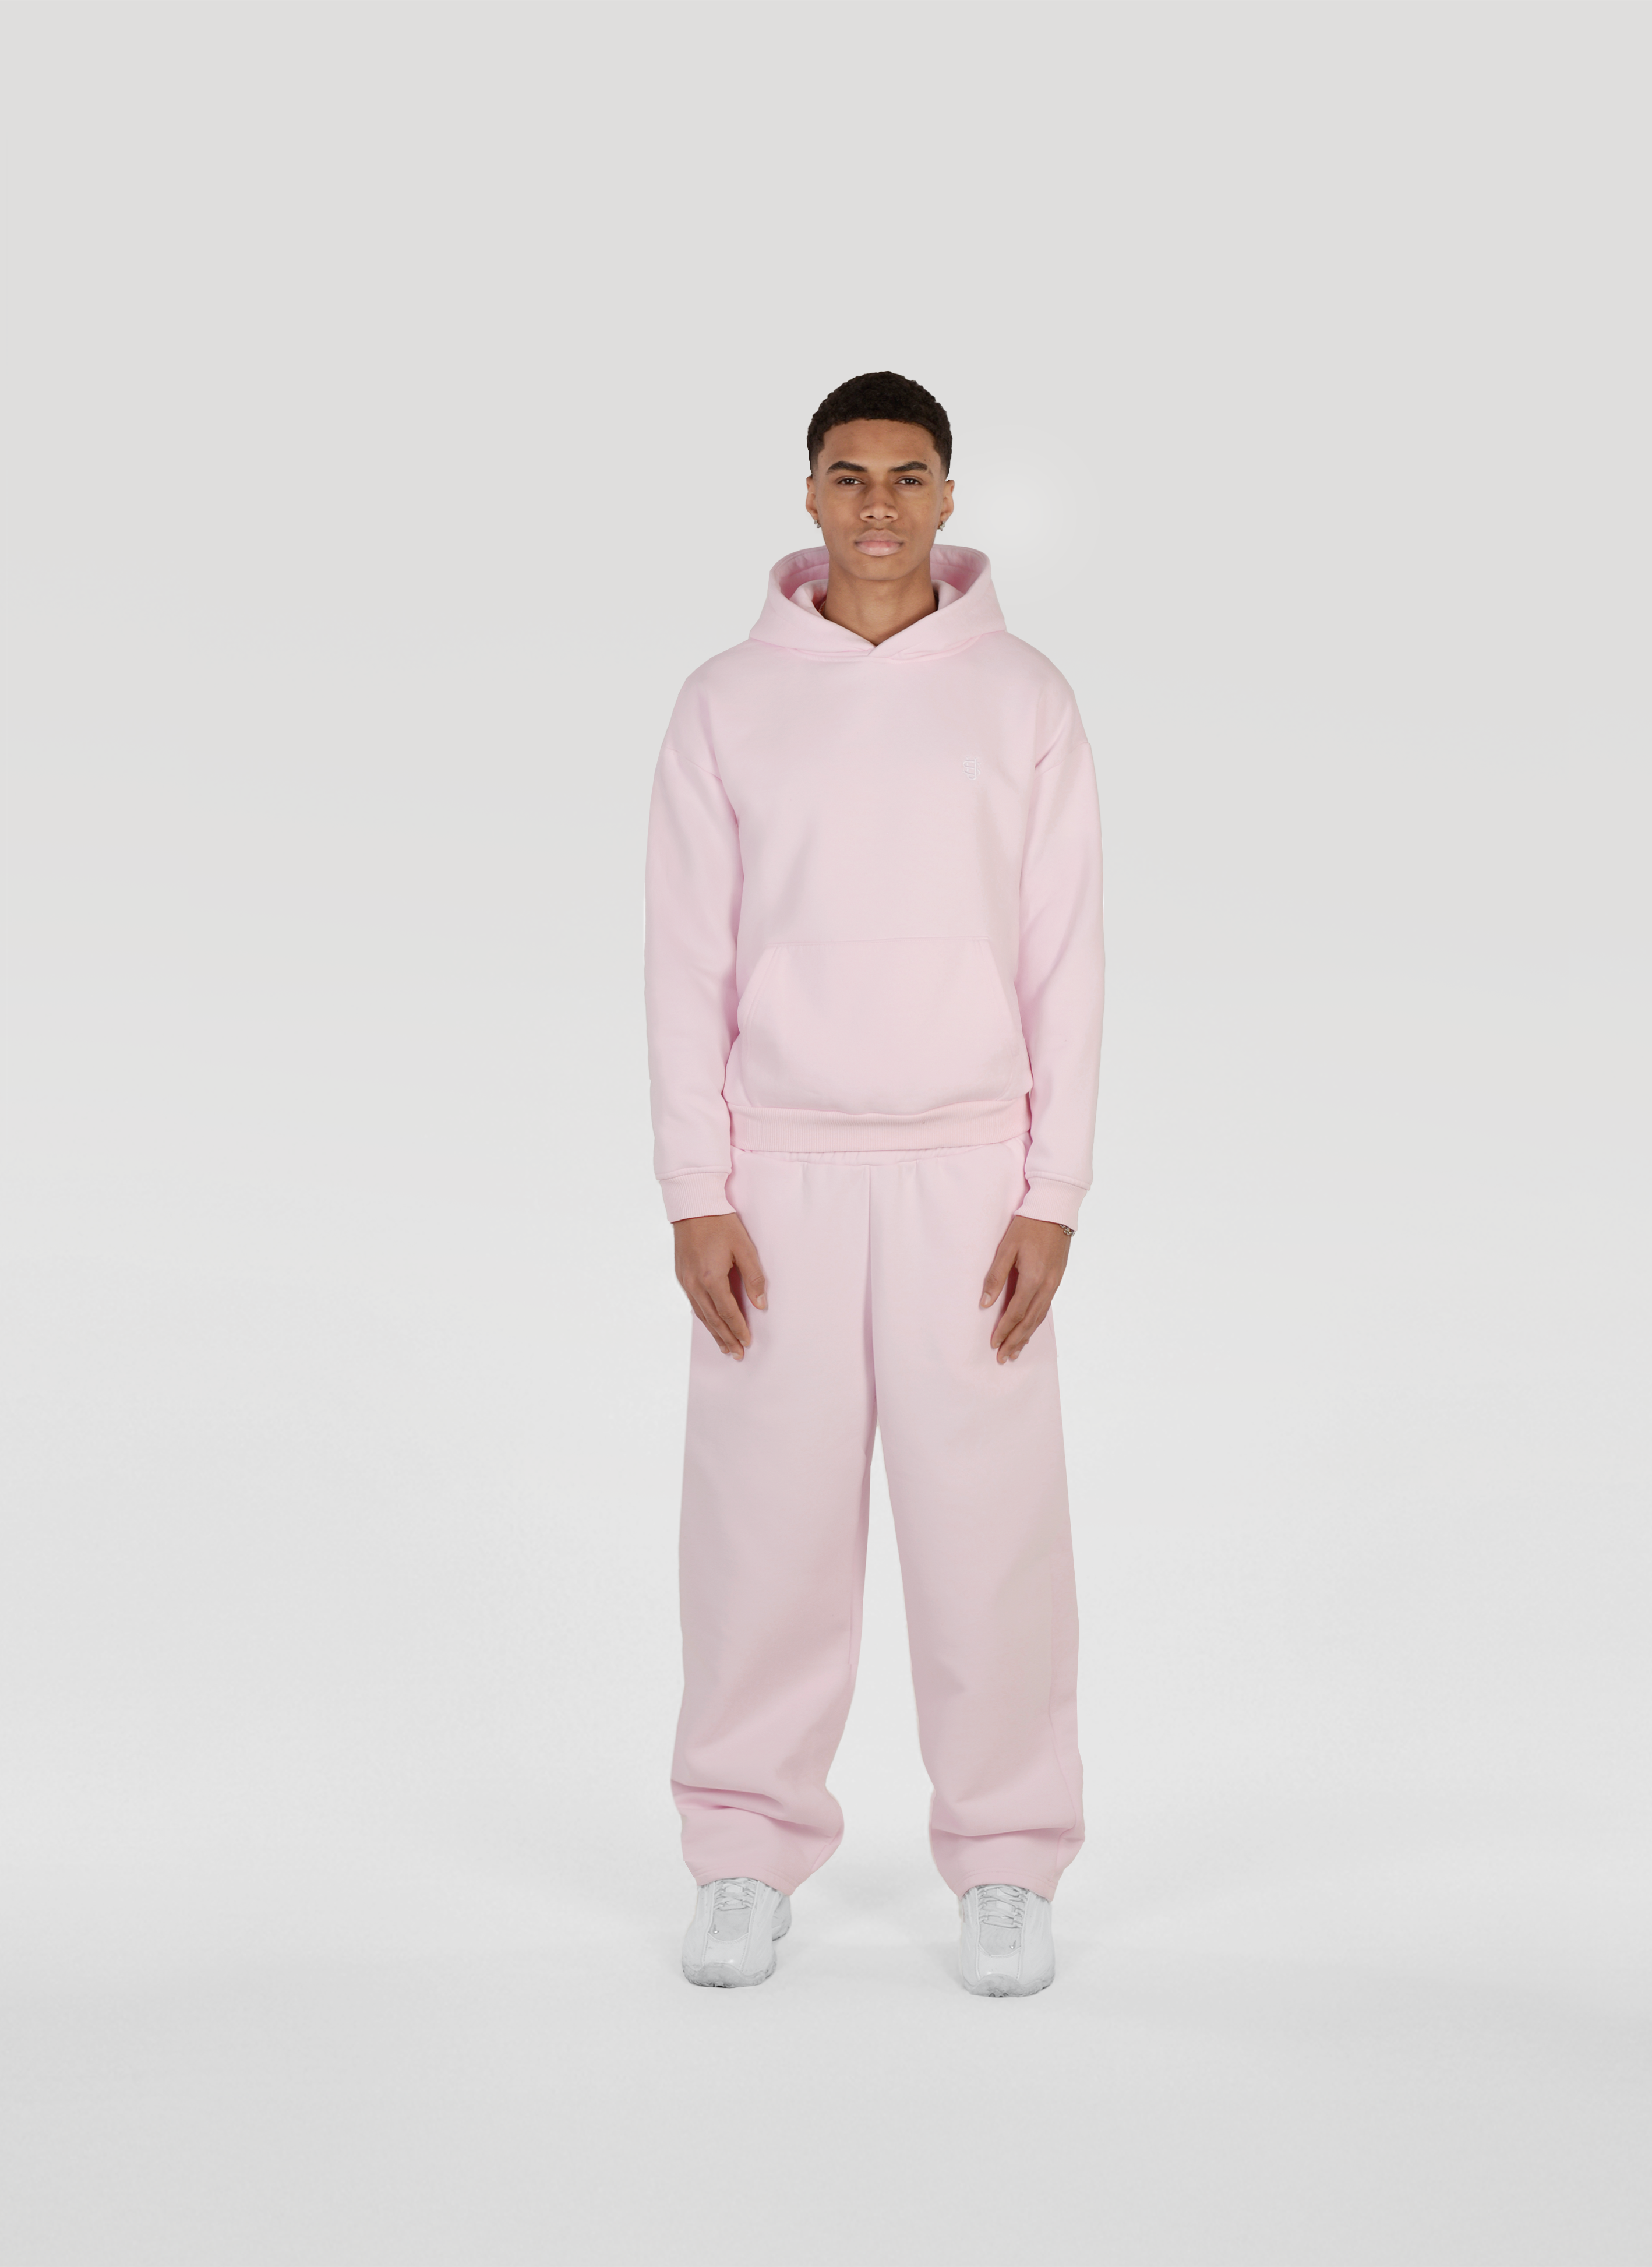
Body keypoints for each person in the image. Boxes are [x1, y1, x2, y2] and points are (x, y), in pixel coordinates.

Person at [643, 371, 1104, 1996]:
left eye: (911, 476)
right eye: (850, 476)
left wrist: (1052, 1193)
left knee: (992, 1535)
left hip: (971, 1170)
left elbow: (1066, 958)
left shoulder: (1024, 699)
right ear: (811, 495)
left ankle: (1009, 1859)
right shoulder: (726, 703)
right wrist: (697, 1188)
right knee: (760, 1533)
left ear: (951, 495)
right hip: (779, 1171)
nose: (881, 505)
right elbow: (686, 957)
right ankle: (743, 1851)